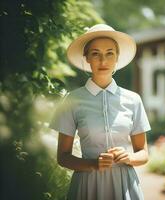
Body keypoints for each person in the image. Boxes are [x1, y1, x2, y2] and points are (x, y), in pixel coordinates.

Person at [49, 24, 151, 200]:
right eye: (95, 53)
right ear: (86, 57)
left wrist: (129, 157)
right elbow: (63, 157)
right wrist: (93, 164)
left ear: (117, 57)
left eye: (109, 53)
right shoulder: (72, 100)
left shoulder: (133, 99)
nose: (103, 61)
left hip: (125, 184)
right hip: (87, 186)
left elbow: (143, 154)